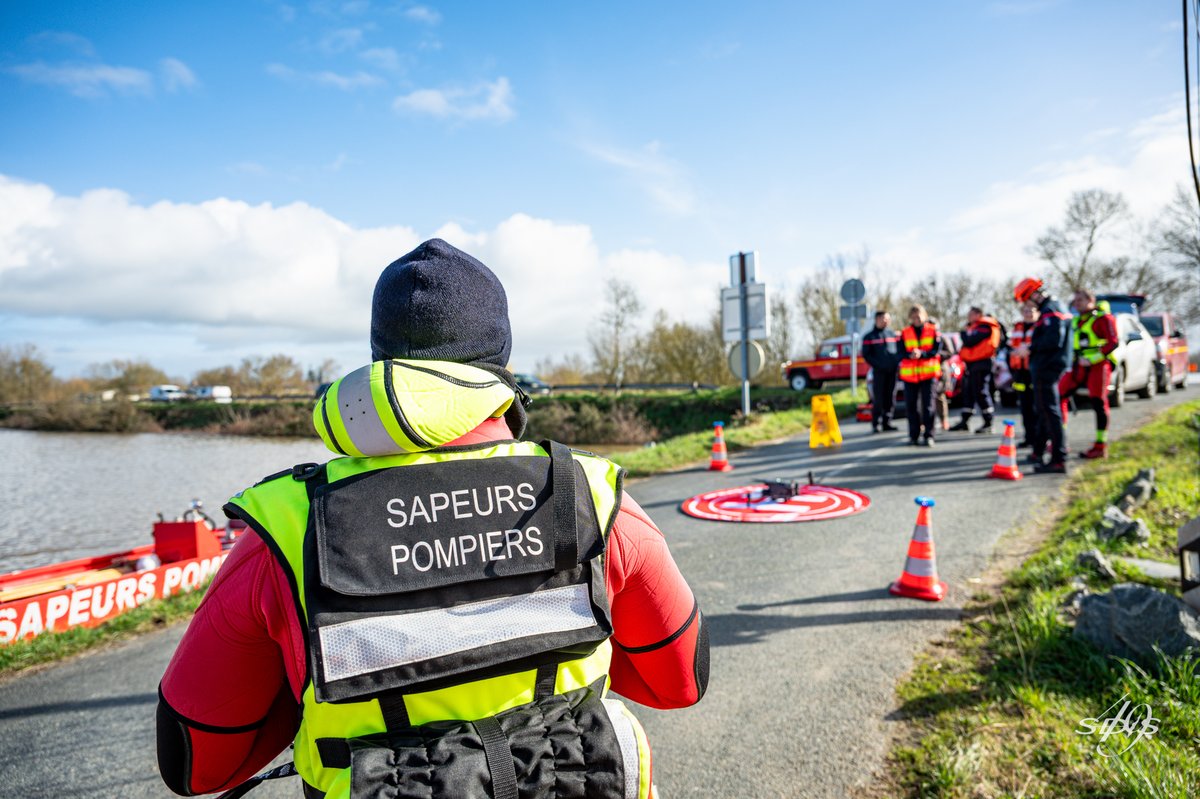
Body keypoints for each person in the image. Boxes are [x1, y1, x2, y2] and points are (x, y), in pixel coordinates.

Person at [156, 239, 709, 799]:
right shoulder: (589, 493)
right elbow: (681, 679)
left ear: (380, 355)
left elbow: (196, 763)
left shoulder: (286, 523)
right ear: (500, 367)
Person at [1013, 277, 1072, 474]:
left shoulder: (1051, 311)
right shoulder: (1054, 308)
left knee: (1049, 413)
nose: (1028, 305)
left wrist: (1029, 347)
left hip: (1048, 367)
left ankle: (1058, 458)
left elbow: (1054, 340)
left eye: (1028, 299)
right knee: (1046, 412)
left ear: (1034, 294)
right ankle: (1040, 451)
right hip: (1048, 367)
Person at [1058, 289, 1119, 459]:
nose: (1077, 303)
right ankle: (1060, 441)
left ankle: (1100, 446)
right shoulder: (1076, 320)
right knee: (1060, 395)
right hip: (1078, 365)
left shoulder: (1104, 319)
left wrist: (1094, 359)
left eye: (1080, 300)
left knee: (1098, 402)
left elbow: (1113, 342)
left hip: (1099, 365)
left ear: (1091, 301)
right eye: (1075, 300)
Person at [949, 306, 1002, 434]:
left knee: (981, 392)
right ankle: (965, 420)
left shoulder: (984, 327)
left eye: (971, 314)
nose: (969, 317)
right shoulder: (973, 328)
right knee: (968, 392)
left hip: (982, 364)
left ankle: (988, 422)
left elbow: (970, 340)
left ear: (979, 314)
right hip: (971, 364)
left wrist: (964, 334)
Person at [899, 304, 942, 447]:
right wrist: (910, 355)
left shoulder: (933, 330)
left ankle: (929, 435)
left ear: (924, 315)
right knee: (911, 407)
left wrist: (922, 354)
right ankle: (913, 435)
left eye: (918, 316)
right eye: (913, 316)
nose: (916, 319)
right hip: (910, 376)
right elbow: (900, 352)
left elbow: (936, 350)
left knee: (928, 406)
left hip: (928, 374)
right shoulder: (905, 333)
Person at [861, 310, 902, 433]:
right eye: (883, 319)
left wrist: (896, 364)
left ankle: (887, 422)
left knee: (890, 397)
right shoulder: (869, 337)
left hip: (892, 372)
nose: (886, 321)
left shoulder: (892, 334)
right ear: (877, 319)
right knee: (878, 399)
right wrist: (878, 365)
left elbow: (899, 351)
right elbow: (866, 355)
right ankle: (876, 423)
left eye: (887, 319)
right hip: (879, 372)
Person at [1007, 302, 1040, 449]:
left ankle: (1039, 438)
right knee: (1025, 408)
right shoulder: (1017, 327)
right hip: (1020, 373)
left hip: (1034, 371)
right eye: (1026, 310)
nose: (1028, 313)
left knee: (1036, 407)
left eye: (1031, 310)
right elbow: (1011, 348)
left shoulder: (1040, 326)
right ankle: (1029, 437)